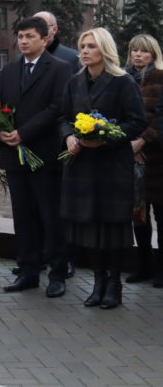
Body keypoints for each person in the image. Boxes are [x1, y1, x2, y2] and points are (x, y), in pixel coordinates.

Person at [62, 28, 146, 309]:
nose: (85, 51)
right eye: (82, 46)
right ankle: (97, 282)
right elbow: (63, 117)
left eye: (91, 46)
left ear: (105, 50)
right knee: (91, 226)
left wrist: (106, 137)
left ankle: (113, 285)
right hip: (83, 165)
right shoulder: (74, 82)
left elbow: (136, 121)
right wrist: (70, 136)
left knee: (111, 227)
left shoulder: (124, 82)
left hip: (112, 166)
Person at [0, 16, 72, 297]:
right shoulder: (9, 69)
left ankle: (57, 273)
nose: (23, 41)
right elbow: (1, 106)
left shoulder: (60, 69)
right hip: (14, 155)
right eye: (20, 36)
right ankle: (28, 271)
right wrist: (2, 131)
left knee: (50, 216)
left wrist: (24, 133)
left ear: (45, 39)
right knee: (23, 215)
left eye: (30, 36)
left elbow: (56, 108)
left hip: (44, 154)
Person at [126, 34, 163, 286]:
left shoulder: (160, 77)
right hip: (131, 157)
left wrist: (144, 140)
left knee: (161, 216)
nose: (138, 55)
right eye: (134, 51)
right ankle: (144, 265)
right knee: (138, 216)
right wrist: (130, 143)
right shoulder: (123, 78)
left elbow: (161, 118)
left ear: (153, 54)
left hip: (158, 157)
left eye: (143, 51)